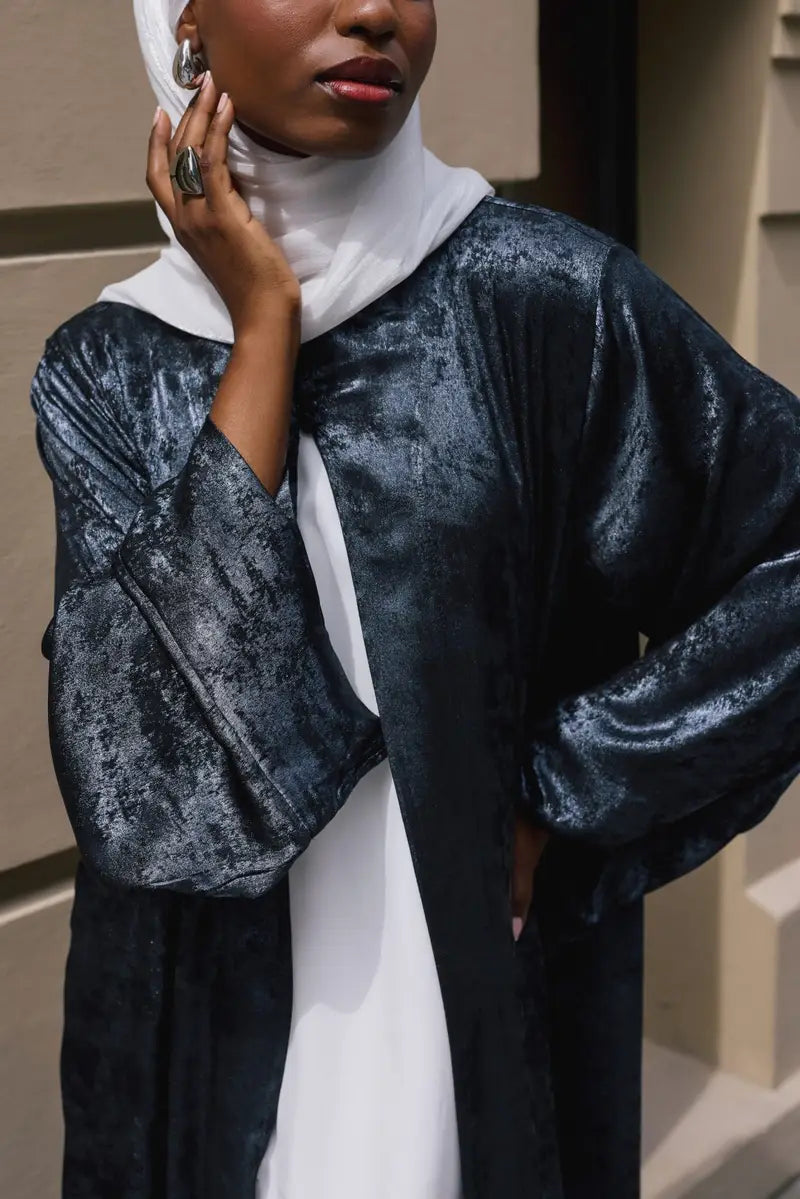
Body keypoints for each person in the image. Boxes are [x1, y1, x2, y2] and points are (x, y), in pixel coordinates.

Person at [28, 0, 800, 1197]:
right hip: (194, 1022)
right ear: (184, 23)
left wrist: (558, 788)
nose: (376, 11)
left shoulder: (538, 297)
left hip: (440, 990)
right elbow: (149, 772)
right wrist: (265, 327)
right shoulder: (109, 363)